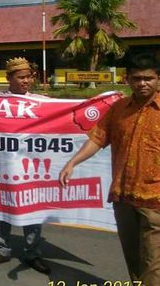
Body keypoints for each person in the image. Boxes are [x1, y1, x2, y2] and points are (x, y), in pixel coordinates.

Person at [59, 52, 160, 285]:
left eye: (148, 78)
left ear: (158, 79)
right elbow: (98, 138)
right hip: (122, 197)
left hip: (155, 202)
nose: (142, 83)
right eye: (136, 78)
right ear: (127, 79)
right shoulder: (118, 109)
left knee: (154, 262)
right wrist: (72, 163)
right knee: (134, 259)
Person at [0, 57, 51, 274]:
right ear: (8, 78)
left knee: (31, 208)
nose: (26, 81)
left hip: (29, 166)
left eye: (29, 77)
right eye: (21, 77)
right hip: (1, 164)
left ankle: (33, 254)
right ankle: (1, 250)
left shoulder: (41, 101)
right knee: (0, 208)